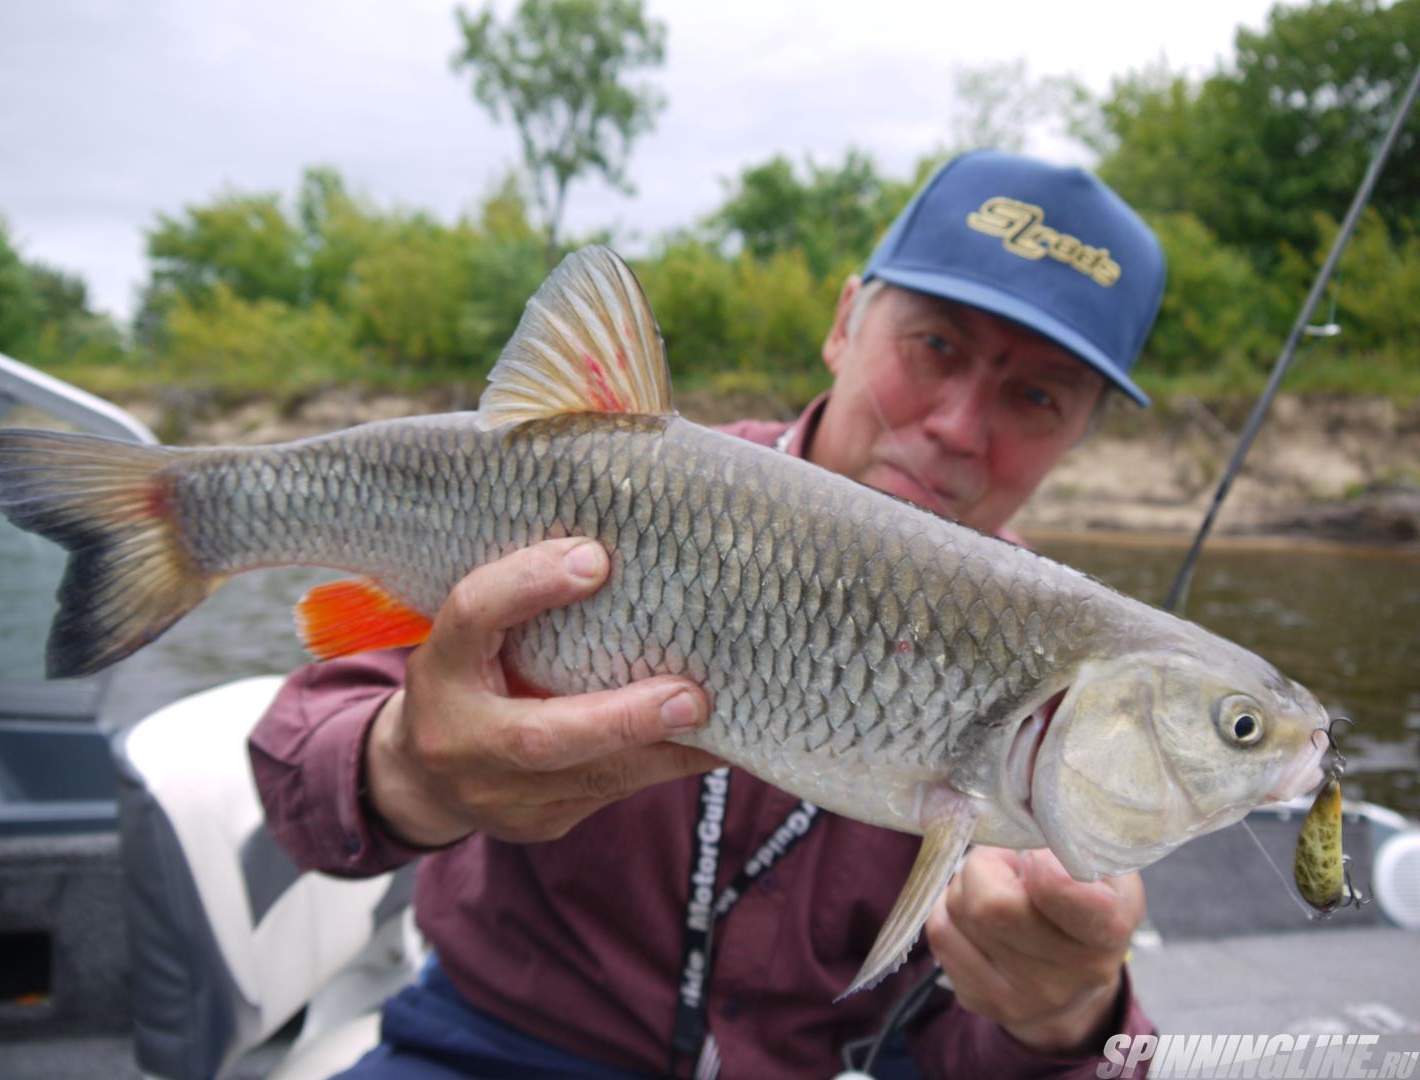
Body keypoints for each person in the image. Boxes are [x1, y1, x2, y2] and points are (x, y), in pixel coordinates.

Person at [250, 149, 1167, 1079]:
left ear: (1081, 435)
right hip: (492, 1045)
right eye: (936, 346)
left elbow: (968, 1052)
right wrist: (413, 766)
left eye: (1037, 396)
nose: (960, 427)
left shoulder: (1072, 687)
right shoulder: (605, 484)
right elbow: (294, 783)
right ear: (847, 322)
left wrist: (1070, 1018)